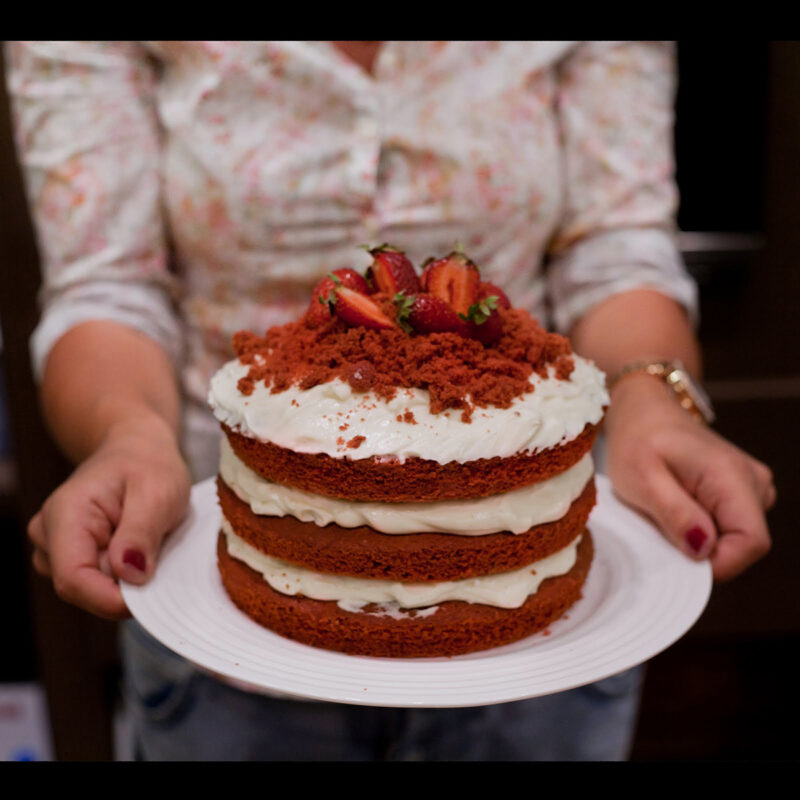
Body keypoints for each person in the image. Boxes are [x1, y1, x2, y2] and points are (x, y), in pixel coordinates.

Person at [5, 41, 775, 761]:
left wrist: (652, 402)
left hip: (548, 653)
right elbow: (109, 284)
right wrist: (128, 437)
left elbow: (614, 244)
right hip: (223, 637)